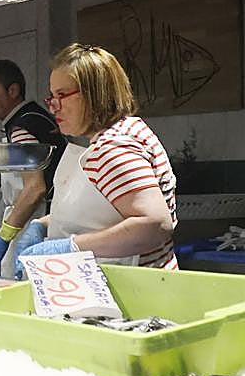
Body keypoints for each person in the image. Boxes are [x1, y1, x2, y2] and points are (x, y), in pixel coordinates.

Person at [14, 43, 178, 273]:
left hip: (135, 287)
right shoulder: (125, 129)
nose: (53, 108)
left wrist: (71, 246)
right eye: (52, 96)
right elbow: (101, 215)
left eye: (62, 95)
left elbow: (155, 224)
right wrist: (42, 224)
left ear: (95, 94)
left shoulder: (113, 148)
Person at [0, 59, 68, 276]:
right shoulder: (34, 117)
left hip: (34, 220)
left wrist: (3, 238)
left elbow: (35, 188)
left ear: (13, 91)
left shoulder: (21, 127)